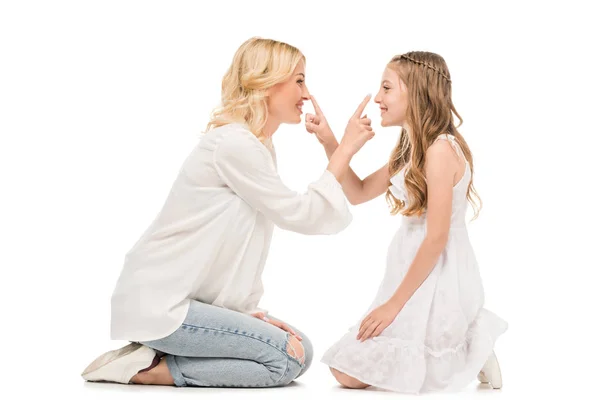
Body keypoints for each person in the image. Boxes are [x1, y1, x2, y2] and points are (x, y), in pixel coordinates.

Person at [80, 36, 375, 388]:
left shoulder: (256, 145)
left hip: (187, 302)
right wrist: (345, 150)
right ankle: (146, 370)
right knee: (282, 360)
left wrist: (247, 317)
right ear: (267, 83)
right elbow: (300, 214)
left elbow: (239, 243)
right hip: (163, 305)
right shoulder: (233, 144)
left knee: (302, 353)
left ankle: (158, 357)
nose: (307, 93)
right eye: (299, 80)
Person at [304, 51, 508, 394]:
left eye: (386, 88)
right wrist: (330, 141)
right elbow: (358, 191)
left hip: (435, 272)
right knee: (346, 369)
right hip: (406, 266)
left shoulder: (441, 151)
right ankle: (470, 348)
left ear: (416, 92)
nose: (378, 99)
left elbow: (437, 237)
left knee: (352, 374)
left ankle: (474, 350)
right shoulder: (408, 150)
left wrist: (392, 306)